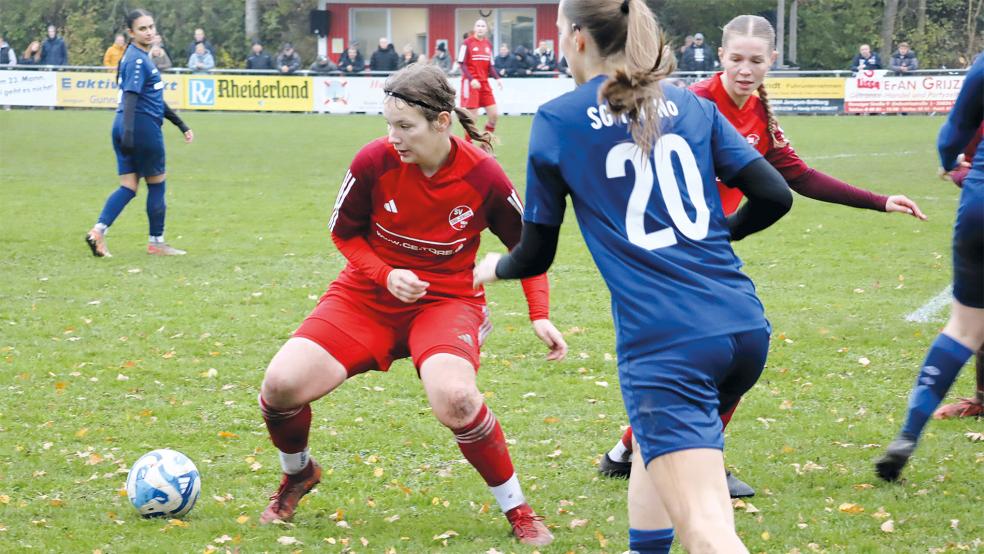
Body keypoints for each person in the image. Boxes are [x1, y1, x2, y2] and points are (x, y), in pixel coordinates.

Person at [473, 2, 793, 550]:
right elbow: (775, 195)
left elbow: (535, 254)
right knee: (652, 451)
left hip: (669, 341)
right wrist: (717, 236)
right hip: (742, 326)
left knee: (708, 529)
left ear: (577, 38)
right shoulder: (689, 103)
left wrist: (491, 269)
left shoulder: (559, 118)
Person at [597, 14, 927, 499]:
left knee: (723, 353)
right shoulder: (691, 103)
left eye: (755, 60)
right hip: (671, 252)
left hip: (709, 253)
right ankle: (691, 461)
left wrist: (880, 200)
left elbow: (799, 176)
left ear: (771, 60)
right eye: (735, 59)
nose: (744, 69)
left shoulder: (758, 114)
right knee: (725, 352)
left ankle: (626, 452)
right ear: (720, 57)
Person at [255, 62, 564, 546]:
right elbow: (344, 234)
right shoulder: (372, 162)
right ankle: (298, 474)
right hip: (366, 296)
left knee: (457, 399)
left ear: (442, 122)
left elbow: (531, 247)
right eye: (388, 124)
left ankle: (519, 511)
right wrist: (385, 273)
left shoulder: (484, 175)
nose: (393, 137)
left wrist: (539, 313)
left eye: (405, 126)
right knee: (280, 386)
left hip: (448, 301)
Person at [876, 54, 983, 481]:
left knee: (962, 328)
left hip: (979, 208)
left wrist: (949, 165)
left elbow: (953, 134)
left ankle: (908, 433)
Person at [85, 9, 194, 259]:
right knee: (157, 185)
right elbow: (132, 98)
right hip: (140, 128)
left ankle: (98, 232)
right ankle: (157, 242)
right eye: (142, 28)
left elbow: (154, 100)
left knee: (129, 186)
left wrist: (181, 124)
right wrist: (131, 133)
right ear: (131, 32)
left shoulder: (138, 57)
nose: (149, 32)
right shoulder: (137, 59)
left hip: (125, 124)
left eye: (151, 27)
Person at [457, 19, 502, 150]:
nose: (480, 28)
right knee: (472, 119)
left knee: (494, 115)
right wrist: (472, 80)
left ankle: (484, 147)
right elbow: (461, 63)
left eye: (483, 26)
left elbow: (491, 65)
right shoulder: (467, 43)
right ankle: (469, 148)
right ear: (474, 28)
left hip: (484, 84)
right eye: (478, 26)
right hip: (471, 85)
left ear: (486, 29)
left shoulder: (488, 44)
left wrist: (498, 78)